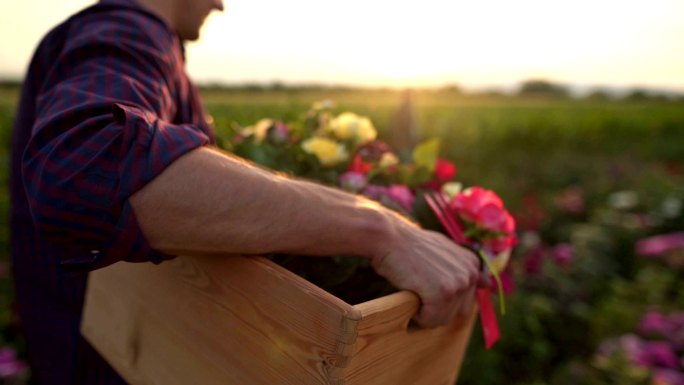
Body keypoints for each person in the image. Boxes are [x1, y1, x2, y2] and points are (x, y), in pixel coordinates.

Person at [10, 0, 482, 383]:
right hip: (95, 356)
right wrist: (382, 229)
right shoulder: (127, 29)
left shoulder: (147, 44)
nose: (221, 4)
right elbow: (91, 166)